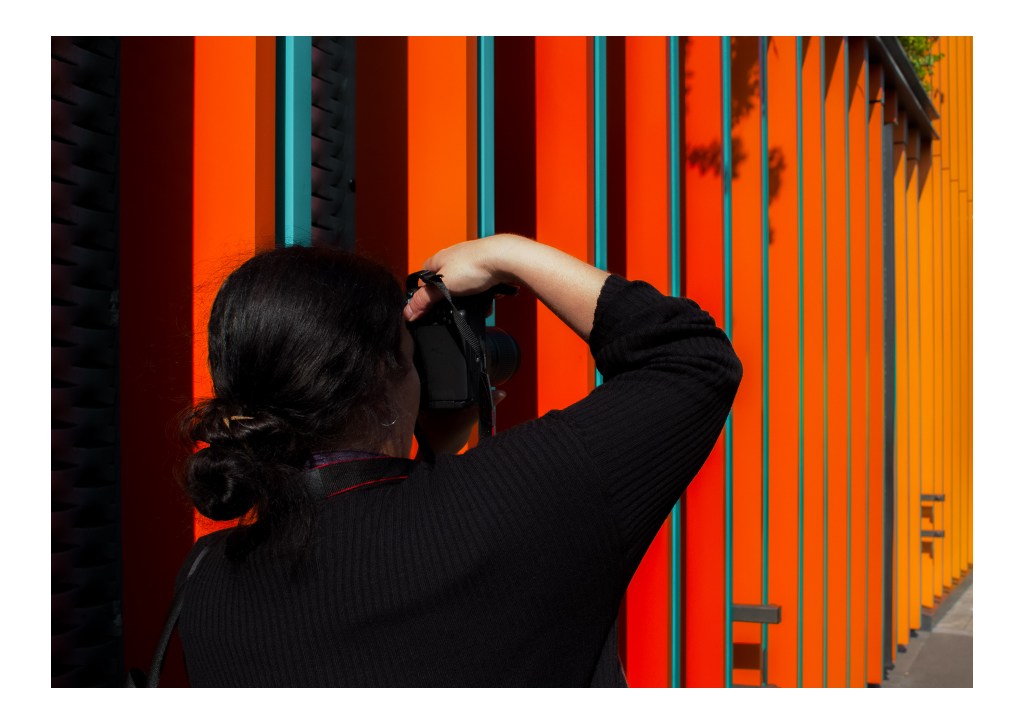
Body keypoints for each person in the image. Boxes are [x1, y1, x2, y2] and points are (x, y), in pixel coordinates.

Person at [176, 233, 742, 687]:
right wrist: (506, 254)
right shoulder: (517, 500)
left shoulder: (205, 581)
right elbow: (692, 359)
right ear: (387, 372)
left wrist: (425, 454)